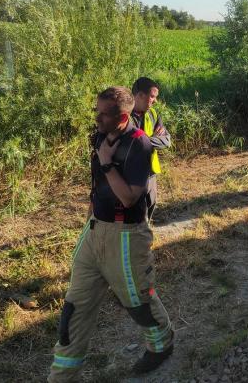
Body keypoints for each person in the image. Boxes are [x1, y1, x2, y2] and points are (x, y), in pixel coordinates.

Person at [48, 87, 173, 382]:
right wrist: (89, 220)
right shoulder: (99, 137)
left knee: (137, 301)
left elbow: (130, 197)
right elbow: (96, 187)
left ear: (123, 116)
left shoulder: (139, 145)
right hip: (95, 231)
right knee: (74, 308)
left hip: (127, 236)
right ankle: (62, 376)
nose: (97, 118)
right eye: (96, 111)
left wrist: (107, 163)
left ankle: (162, 345)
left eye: (104, 114)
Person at [130, 77, 171, 222]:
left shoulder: (153, 114)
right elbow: (130, 144)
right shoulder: (125, 117)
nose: (155, 101)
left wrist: (144, 139)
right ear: (140, 95)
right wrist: (152, 138)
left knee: (151, 206)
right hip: (131, 175)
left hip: (151, 172)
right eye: (152, 96)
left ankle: (145, 238)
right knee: (136, 214)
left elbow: (166, 140)